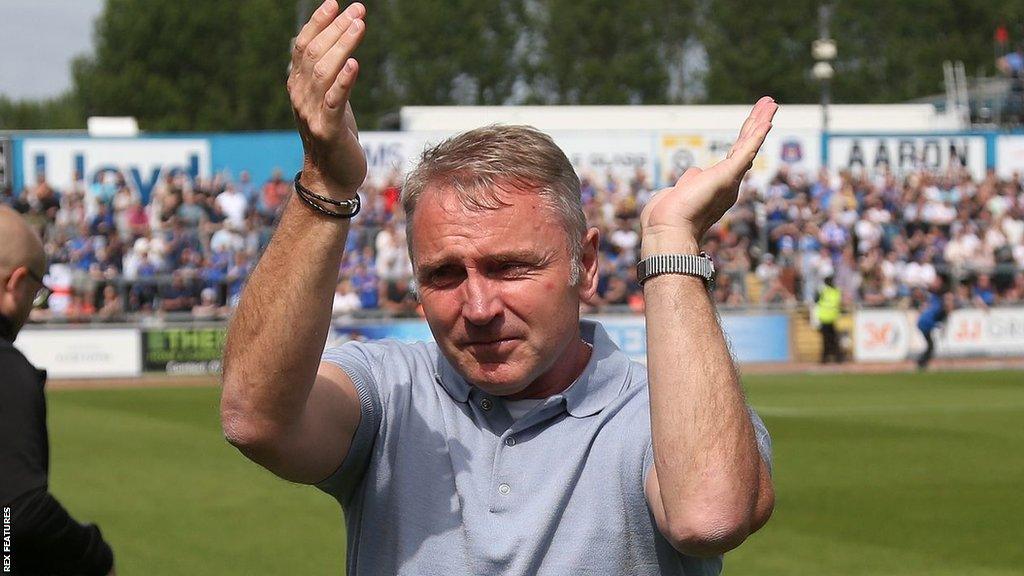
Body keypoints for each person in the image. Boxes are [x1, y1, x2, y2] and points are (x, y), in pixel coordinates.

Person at [220, 3, 775, 574]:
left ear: (583, 266)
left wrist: (670, 241)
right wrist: (326, 180)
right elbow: (255, 418)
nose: (478, 308)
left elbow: (708, 515)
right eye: (443, 274)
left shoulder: (665, 410)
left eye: (511, 268)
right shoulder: (389, 393)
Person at [0, 206, 115, 576]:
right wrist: (94, 557)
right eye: (35, 292)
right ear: (14, 283)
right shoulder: (7, 368)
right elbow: (15, 511)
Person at [916, 278, 954, 370]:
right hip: (924, 324)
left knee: (930, 345)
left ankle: (922, 362)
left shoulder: (935, 300)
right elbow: (935, 318)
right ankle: (921, 362)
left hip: (922, 323)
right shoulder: (939, 306)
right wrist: (937, 325)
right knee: (931, 346)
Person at [815, 275, 843, 363]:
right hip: (829, 317)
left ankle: (828, 358)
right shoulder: (835, 291)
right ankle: (836, 358)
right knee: (832, 339)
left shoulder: (824, 291)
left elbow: (816, 300)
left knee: (828, 340)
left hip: (826, 318)